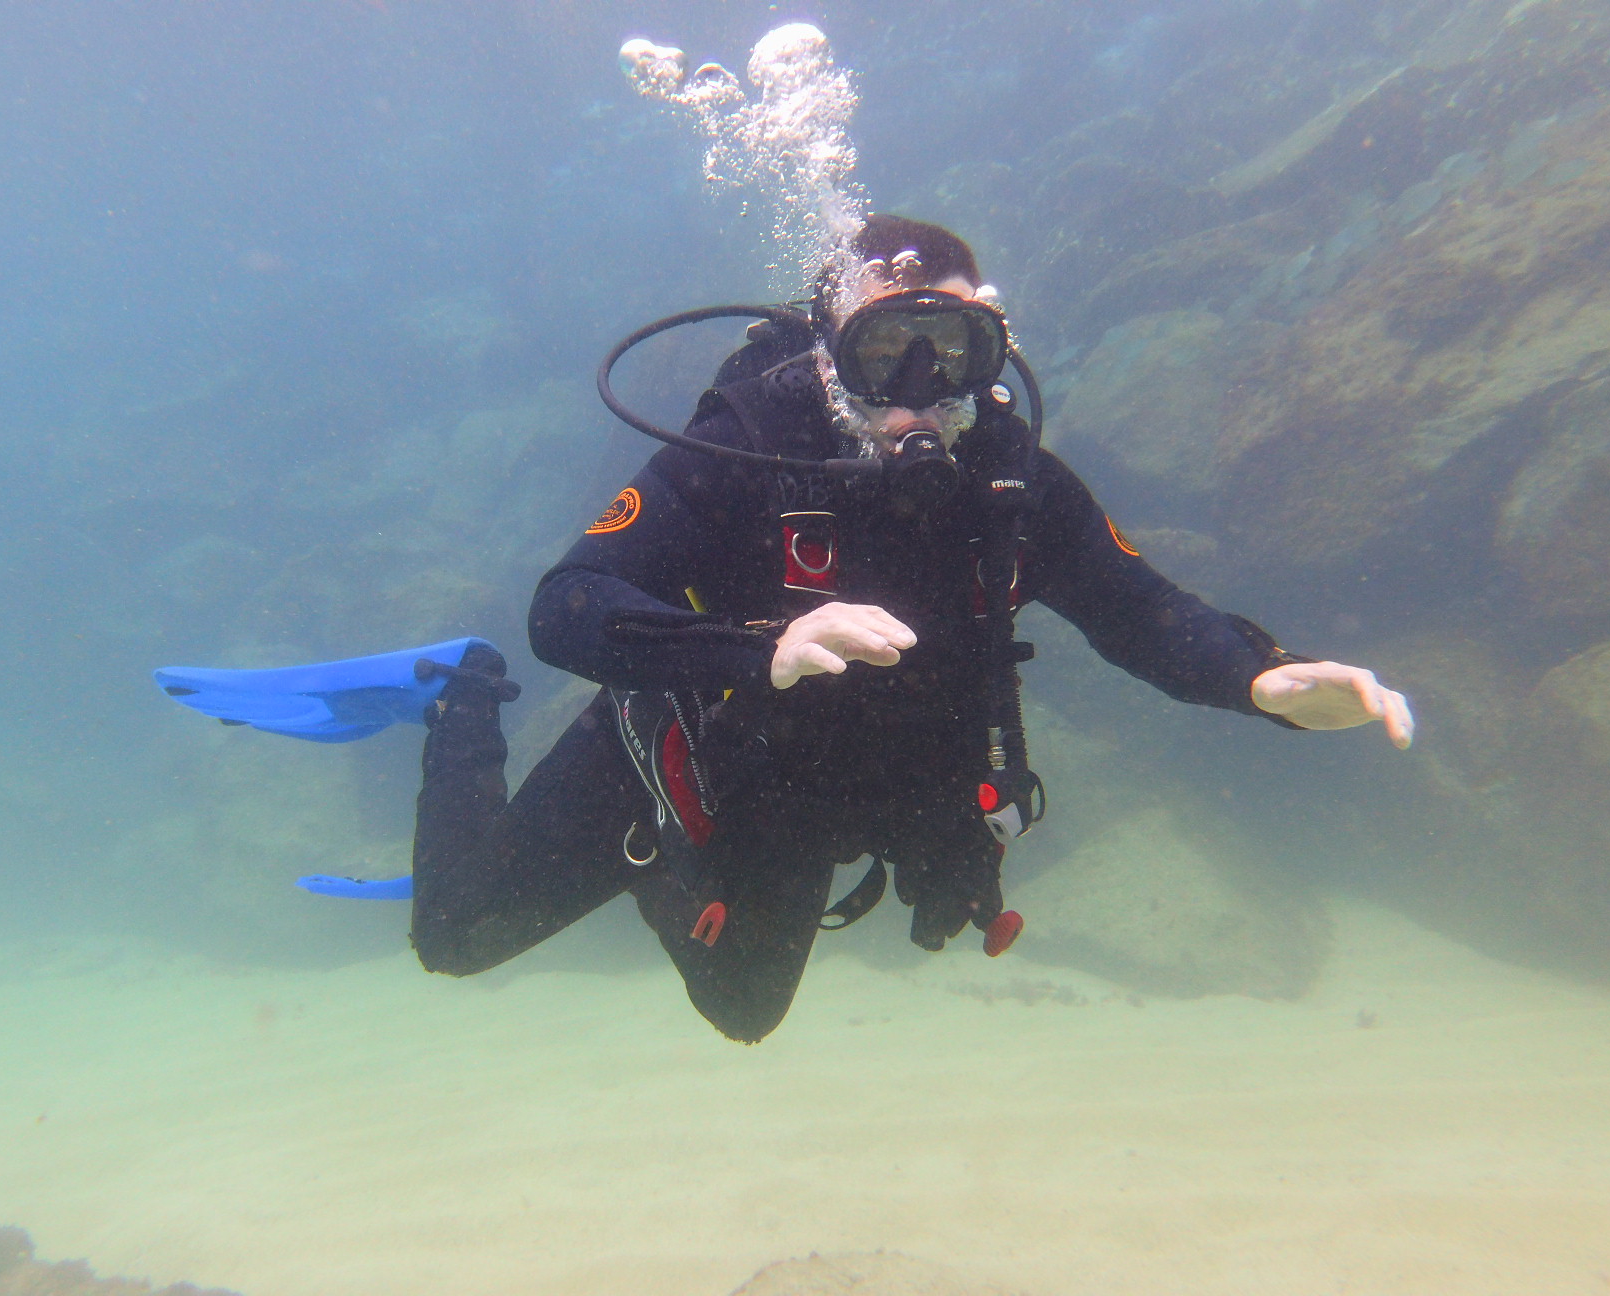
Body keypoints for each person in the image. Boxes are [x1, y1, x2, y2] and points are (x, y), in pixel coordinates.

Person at [407, 215, 1412, 1043]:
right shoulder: (747, 448)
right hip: (703, 740)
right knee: (455, 937)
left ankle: (659, 867)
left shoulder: (1010, 484)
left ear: (992, 350)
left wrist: (1260, 679)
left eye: (952, 353)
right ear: (828, 352)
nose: (919, 391)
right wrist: (759, 649)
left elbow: (1137, 609)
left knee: (742, 1009)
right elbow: (568, 604)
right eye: (883, 353)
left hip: (821, 792)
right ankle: (466, 702)